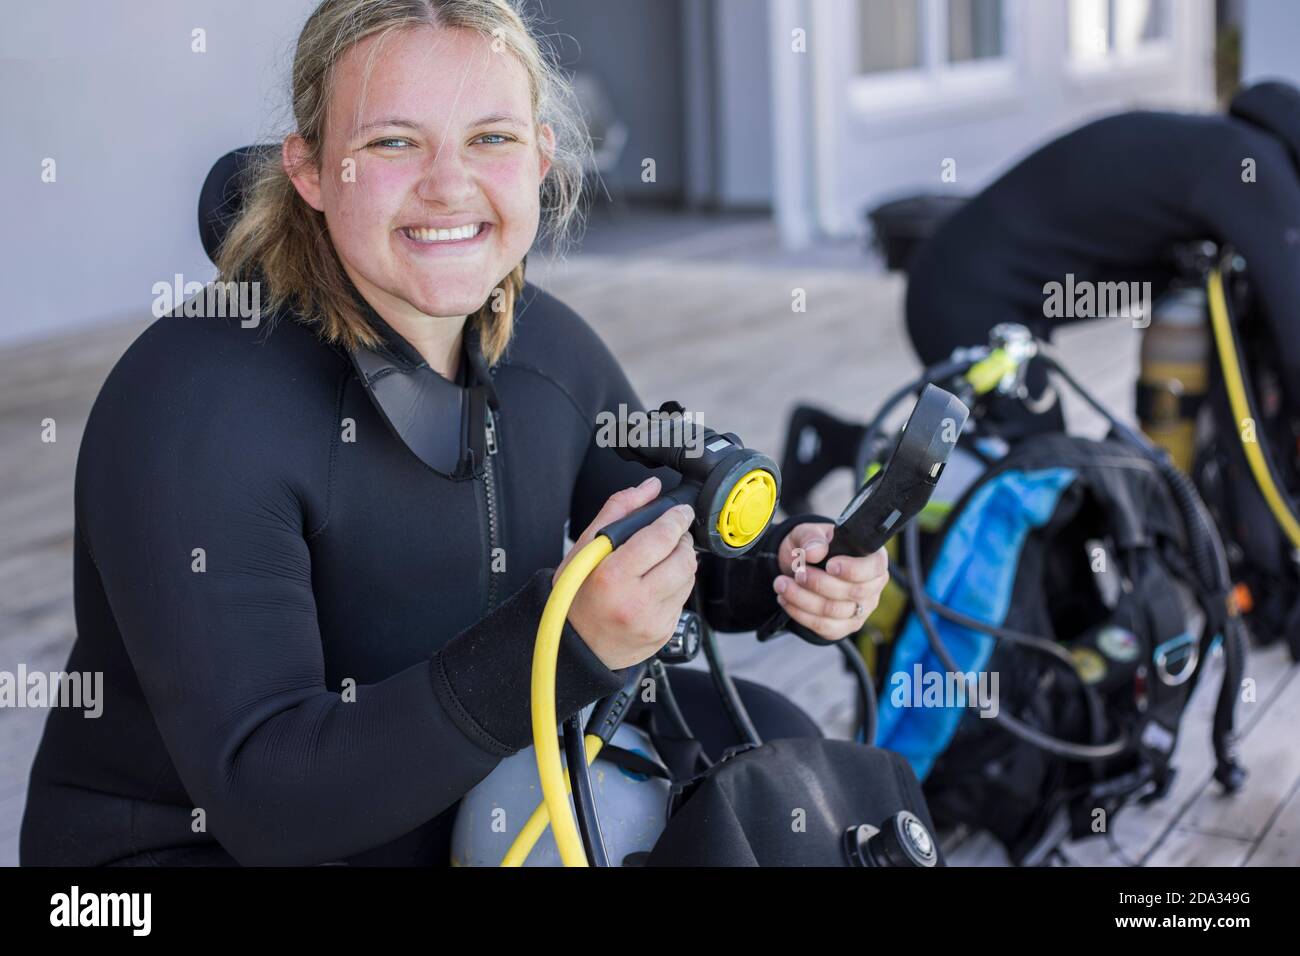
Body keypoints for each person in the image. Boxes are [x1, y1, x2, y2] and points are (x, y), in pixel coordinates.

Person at [20, 0, 888, 867]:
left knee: (776, 765)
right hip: (186, 856)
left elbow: (668, 537)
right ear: (312, 170)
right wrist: (569, 646)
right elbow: (268, 798)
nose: (448, 184)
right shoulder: (196, 403)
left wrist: (786, 570)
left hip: (443, 795)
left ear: (542, 159)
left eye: (492, 139)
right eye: (393, 142)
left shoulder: (544, 348)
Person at [905, 81, 1300, 433]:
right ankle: (852, 456)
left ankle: (849, 445)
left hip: (971, 286)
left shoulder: (1222, 146)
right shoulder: (1255, 167)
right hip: (971, 299)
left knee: (1009, 470)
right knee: (1040, 486)